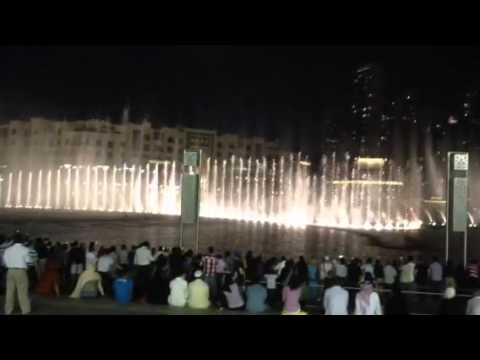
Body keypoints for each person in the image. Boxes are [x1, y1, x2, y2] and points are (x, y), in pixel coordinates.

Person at [3, 234, 31, 315]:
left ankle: (8, 310)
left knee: (9, 291)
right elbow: (28, 261)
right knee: (22, 291)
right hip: (21, 271)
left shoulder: (7, 250)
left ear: (13, 240)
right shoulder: (25, 249)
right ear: (22, 240)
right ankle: (25, 310)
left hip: (10, 271)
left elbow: (4, 262)